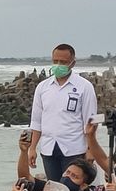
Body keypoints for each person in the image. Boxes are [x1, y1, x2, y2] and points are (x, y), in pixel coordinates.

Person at [27, 44, 98, 181]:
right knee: (54, 188)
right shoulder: (42, 87)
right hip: (48, 149)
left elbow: (91, 121)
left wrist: (90, 150)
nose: (58, 65)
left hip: (74, 149)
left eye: (63, 62)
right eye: (55, 61)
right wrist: (32, 148)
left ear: (72, 63)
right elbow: (36, 121)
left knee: (72, 188)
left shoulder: (84, 87)